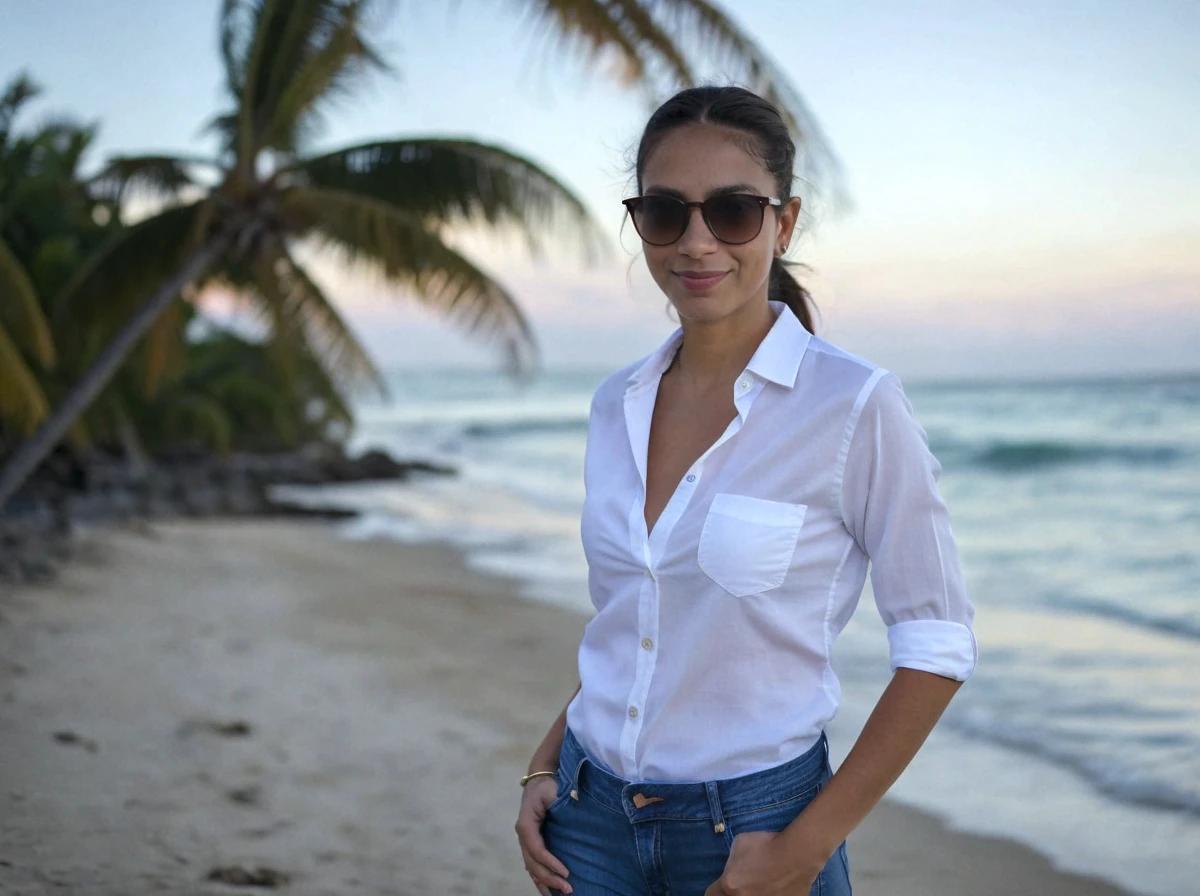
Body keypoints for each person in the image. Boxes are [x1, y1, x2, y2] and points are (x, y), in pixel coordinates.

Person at [513, 84, 979, 896]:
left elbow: (937, 645)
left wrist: (805, 850)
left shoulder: (854, 406)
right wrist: (545, 761)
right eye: (665, 213)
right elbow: (637, 618)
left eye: (731, 210)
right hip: (585, 821)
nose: (696, 242)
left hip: (754, 835)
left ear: (783, 222)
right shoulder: (614, 403)